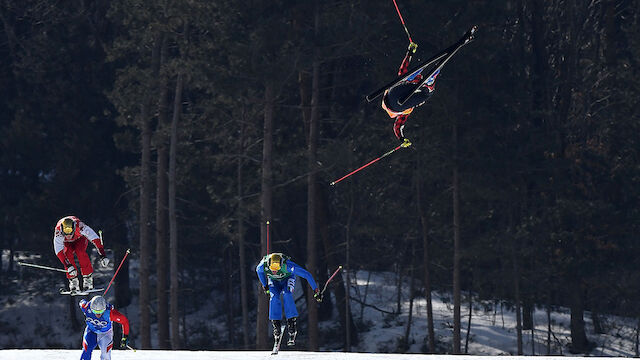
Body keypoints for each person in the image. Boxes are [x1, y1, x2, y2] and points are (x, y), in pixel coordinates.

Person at [381, 41, 441, 146]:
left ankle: (427, 79)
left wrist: (410, 53)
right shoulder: (407, 110)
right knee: (423, 92)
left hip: (394, 97)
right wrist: (409, 53)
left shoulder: (407, 109)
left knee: (420, 90)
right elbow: (397, 126)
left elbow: (403, 68)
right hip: (394, 98)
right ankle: (428, 81)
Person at [256, 253, 322, 346]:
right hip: (274, 282)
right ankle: (276, 324)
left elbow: (306, 274)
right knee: (274, 298)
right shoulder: (262, 266)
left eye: (277, 269)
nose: (275, 272)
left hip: (287, 279)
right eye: (273, 269)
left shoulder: (288, 266)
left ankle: (291, 323)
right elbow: (259, 272)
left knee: (287, 294)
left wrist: (316, 290)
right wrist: (265, 285)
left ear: (281, 265)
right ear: (269, 265)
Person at [53, 216, 109, 293]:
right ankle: (73, 282)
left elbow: (95, 239)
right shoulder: (58, 232)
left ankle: (88, 279)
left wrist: (103, 255)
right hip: (66, 243)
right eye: (65, 234)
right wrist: (68, 266)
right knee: (67, 254)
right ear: (62, 230)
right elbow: (58, 251)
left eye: (70, 233)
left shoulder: (80, 226)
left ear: (73, 228)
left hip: (80, 239)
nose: (68, 236)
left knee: (80, 252)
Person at [79, 295, 130, 360]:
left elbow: (124, 321)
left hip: (106, 333)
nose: (98, 315)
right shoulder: (86, 307)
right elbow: (81, 302)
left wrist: (125, 337)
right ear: (91, 308)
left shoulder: (110, 313)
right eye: (95, 311)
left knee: (105, 353)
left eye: (100, 311)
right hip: (91, 331)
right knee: (86, 350)